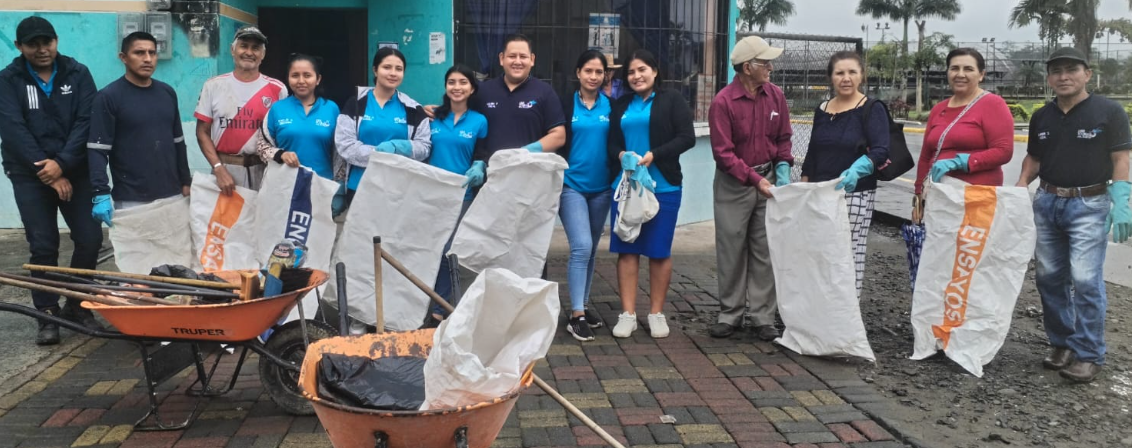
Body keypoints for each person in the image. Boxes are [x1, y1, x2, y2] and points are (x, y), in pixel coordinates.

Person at [1015, 47, 1131, 383]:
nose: (1064, 77)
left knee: (1085, 279)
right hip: (1047, 202)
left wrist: (1122, 198)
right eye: (1057, 71)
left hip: (1089, 205)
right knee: (1049, 278)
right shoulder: (1042, 116)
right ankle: (1062, 342)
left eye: (1072, 70)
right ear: (1049, 78)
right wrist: (1019, 187)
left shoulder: (1109, 111)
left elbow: (1121, 158)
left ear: (1087, 74)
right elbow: (1034, 159)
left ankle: (1089, 353)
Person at [0, 16, 103, 345]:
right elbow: (13, 130)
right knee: (43, 245)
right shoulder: (8, 80)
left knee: (90, 239)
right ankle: (47, 313)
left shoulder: (78, 73)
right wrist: (47, 172)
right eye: (33, 44)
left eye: (47, 42)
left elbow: (87, 121)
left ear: (56, 41)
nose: (42, 49)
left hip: (74, 170)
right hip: (30, 174)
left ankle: (77, 304)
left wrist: (62, 164)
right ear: (19, 46)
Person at [707, 36, 793, 340]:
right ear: (747, 67)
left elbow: (783, 138)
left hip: (768, 179)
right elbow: (723, 154)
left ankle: (762, 316)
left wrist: (783, 168)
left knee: (764, 249)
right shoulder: (723, 103)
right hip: (734, 184)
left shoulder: (776, 96)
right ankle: (730, 314)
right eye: (765, 62)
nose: (770, 67)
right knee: (731, 248)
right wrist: (756, 180)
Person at [607, 49, 695, 339]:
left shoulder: (672, 100)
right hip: (626, 187)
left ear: (655, 71)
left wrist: (654, 154)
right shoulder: (621, 105)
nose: (636, 76)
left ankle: (656, 313)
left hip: (663, 186)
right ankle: (627, 314)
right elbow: (612, 143)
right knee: (627, 249)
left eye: (642, 69)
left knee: (658, 251)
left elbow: (687, 138)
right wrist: (622, 155)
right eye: (631, 72)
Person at [800, 51, 890, 297]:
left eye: (852, 72)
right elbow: (812, 153)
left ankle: (845, 311)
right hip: (820, 193)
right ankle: (820, 307)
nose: (846, 78)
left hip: (855, 193)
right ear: (831, 77)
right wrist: (804, 189)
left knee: (848, 254)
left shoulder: (872, 108)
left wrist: (857, 170)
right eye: (840, 73)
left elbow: (881, 149)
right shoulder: (822, 109)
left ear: (862, 75)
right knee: (819, 252)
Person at [87, 32, 191, 217]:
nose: (148, 59)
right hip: (131, 200)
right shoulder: (108, 97)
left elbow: (178, 142)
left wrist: (185, 181)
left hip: (172, 195)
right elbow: (98, 150)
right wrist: (100, 192)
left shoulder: (167, 93)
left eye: (152, 53)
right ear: (123, 57)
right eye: (139, 53)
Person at [912, 48, 1014, 222]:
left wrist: (962, 162)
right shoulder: (939, 109)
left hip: (976, 199)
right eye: (954, 68)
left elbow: (1004, 151)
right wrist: (918, 195)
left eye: (968, 69)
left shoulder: (993, 104)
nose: (960, 74)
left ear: (981, 75)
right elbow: (926, 156)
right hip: (939, 197)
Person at [425, 64, 488, 325]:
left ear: (472, 88)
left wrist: (480, 165)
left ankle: (440, 307)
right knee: (429, 249)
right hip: (430, 195)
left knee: (448, 250)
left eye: (463, 82)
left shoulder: (479, 121)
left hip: (462, 196)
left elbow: (482, 152)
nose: (457, 87)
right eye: (452, 82)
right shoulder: (432, 117)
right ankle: (429, 302)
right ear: (445, 86)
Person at [559, 50, 614, 341]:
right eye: (588, 71)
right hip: (571, 186)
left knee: (591, 249)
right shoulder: (564, 105)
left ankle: (583, 303)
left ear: (605, 76)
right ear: (578, 73)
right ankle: (576, 314)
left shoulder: (612, 106)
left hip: (602, 189)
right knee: (581, 246)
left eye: (599, 72)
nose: (593, 77)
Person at [194, 26, 287, 194]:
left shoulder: (278, 89)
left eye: (255, 48)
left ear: (263, 54)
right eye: (244, 46)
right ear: (232, 50)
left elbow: (284, 134)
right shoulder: (213, 86)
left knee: (263, 212)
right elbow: (202, 132)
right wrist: (218, 168)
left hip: (265, 169)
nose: (249, 52)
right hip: (225, 172)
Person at [335, 46, 431, 204]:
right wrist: (379, 153)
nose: (393, 73)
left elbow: (424, 147)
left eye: (398, 69)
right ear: (375, 70)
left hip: (399, 190)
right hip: (360, 186)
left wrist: (398, 147)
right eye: (387, 67)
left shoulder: (413, 109)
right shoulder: (356, 104)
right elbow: (345, 145)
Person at [471, 34, 566, 159]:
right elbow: (466, 122)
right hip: (491, 168)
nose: (517, 61)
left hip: (529, 168)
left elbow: (559, 136)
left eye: (523, 56)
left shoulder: (545, 92)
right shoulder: (484, 91)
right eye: (512, 56)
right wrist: (478, 162)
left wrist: (525, 152)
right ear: (501, 59)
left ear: (532, 60)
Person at [256, 53, 339, 182]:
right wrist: (281, 154)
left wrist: (339, 184)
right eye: (295, 75)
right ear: (288, 78)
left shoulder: (331, 108)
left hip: (322, 183)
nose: (301, 81)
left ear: (318, 79)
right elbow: (262, 147)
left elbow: (341, 151)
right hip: (285, 184)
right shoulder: (277, 109)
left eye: (307, 75)